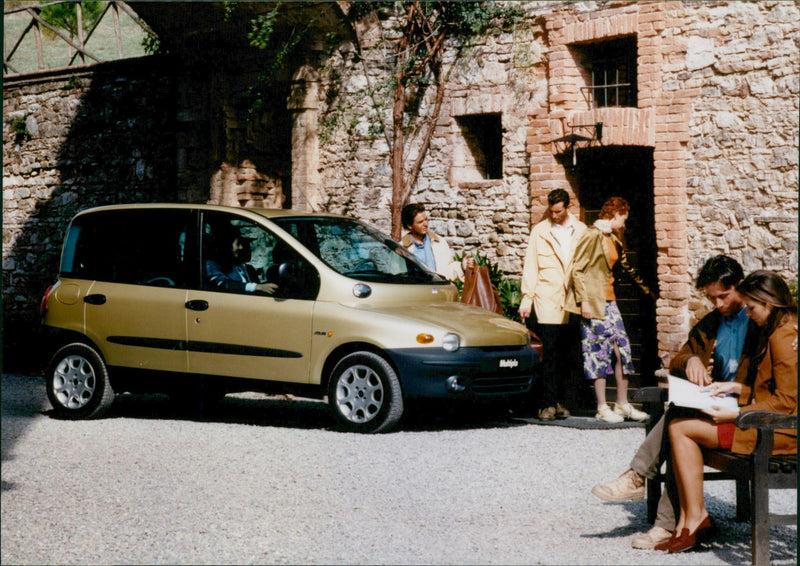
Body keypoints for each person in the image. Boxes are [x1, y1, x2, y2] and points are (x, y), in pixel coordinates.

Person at [591, 255, 760, 549]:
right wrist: (692, 359)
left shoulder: (760, 321)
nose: (718, 304)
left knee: (678, 426)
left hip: (747, 411)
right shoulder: (712, 322)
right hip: (718, 404)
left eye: (724, 296)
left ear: (740, 286)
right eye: (712, 298)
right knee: (679, 421)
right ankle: (658, 510)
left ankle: (642, 484)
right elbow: (680, 356)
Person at [662, 270, 797, 553]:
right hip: (765, 424)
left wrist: (735, 414)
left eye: (752, 307)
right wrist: (735, 389)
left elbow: (784, 402)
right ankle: (690, 517)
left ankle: (694, 516)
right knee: (679, 423)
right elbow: (770, 392)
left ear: (769, 304)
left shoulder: (783, 336)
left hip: (777, 432)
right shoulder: (776, 330)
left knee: (680, 428)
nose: (748, 314)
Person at [569, 197, 654, 423]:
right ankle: (601, 406)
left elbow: (625, 265)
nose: (624, 223)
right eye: (623, 219)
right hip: (594, 303)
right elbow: (577, 269)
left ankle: (622, 404)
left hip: (611, 302)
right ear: (615, 215)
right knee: (598, 352)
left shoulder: (613, 239)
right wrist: (583, 301)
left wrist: (648, 290)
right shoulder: (591, 235)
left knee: (622, 352)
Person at [518, 189, 587, 420]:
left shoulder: (581, 230)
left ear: (568, 207)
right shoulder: (540, 231)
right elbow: (531, 266)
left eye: (559, 211)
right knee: (549, 356)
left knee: (569, 356)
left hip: (571, 302)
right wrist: (526, 299)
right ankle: (546, 403)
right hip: (547, 299)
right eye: (552, 211)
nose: (555, 215)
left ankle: (563, 402)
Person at [400, 203, 473, 280]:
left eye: (426, 219)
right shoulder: (402, 248)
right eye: (420, 222)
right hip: (417, 291)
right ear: (409, 226)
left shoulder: (439, 242)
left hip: (438, 289)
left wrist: (461, 266)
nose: (426, 224)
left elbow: (447, 270)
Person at [205, 227, 277, 294]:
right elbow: (222, 284)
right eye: (238, 244)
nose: (241, 247)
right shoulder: (212, 265)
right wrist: (256, 287)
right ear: (227, 246)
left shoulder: (240, 266)